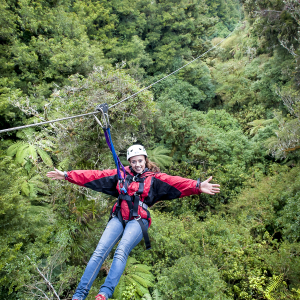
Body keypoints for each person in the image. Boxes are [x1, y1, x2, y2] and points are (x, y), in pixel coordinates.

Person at [46, 144, 220, 300]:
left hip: (138, 220)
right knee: (100, 251)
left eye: (140, 161)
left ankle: (104, 293)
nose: (137, 165)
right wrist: (67, 175)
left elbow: (175, 182)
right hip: (120, 216)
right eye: (134, 161)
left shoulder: (154, 178)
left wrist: (197, 186)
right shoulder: (120, 174)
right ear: (129, 162)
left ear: (145, 160)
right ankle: (79, 295)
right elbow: (94, 176)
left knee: (121, 251)